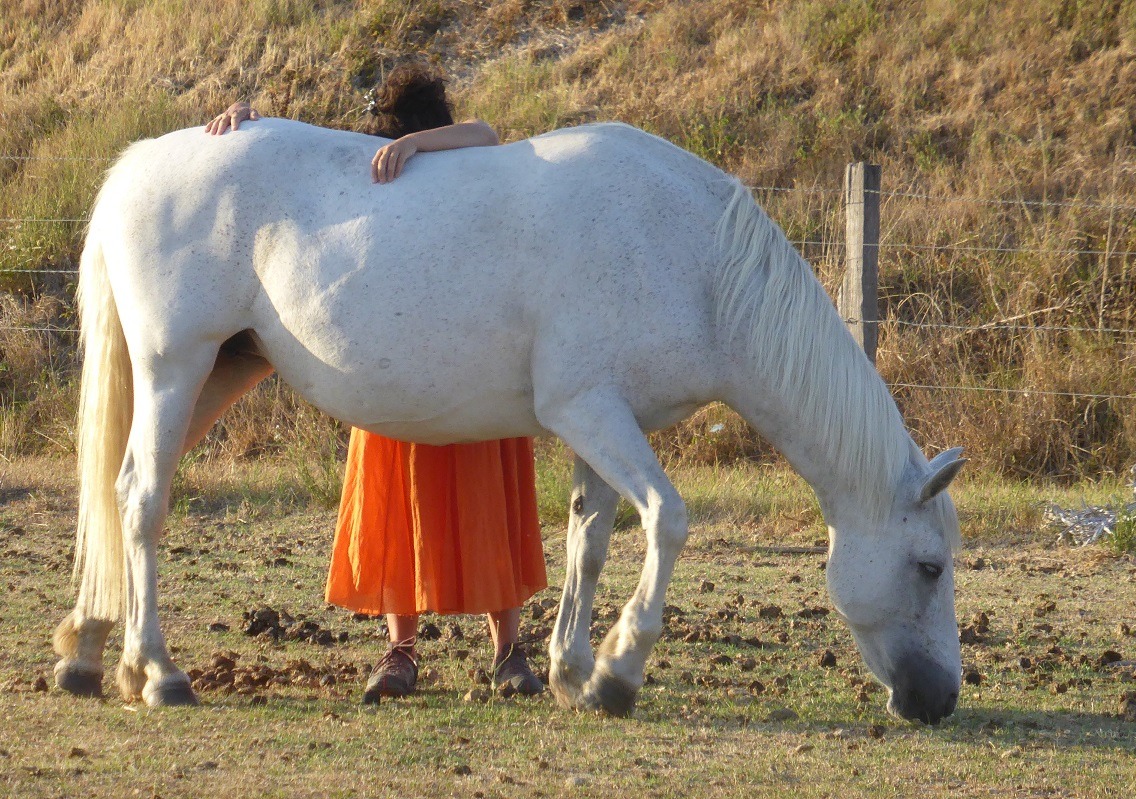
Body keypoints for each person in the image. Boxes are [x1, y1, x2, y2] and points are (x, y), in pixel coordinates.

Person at [206, 64, 548, 702]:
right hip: (408, 361)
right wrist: (251, 121)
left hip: (464, 362)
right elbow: (309, 151)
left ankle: (421, 653)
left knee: (418, 499)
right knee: (445, 499)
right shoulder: (370, 161)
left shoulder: (457, 159)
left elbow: (488, 132)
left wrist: (417, 145)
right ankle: (493, 652)